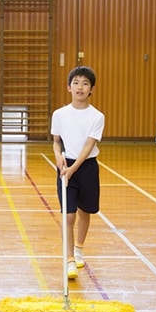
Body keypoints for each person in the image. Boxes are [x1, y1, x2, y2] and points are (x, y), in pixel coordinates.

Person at [51, 66, 105, 280]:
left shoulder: (97, 116)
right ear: (68, 87)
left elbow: (89, 145)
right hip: (66, 166)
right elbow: (56, 142)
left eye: (85, 83)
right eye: (76, 83)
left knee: (85, 212)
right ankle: (70, 259)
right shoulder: (59, 114)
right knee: (69, 214)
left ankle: (79, 248)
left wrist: (75, 168)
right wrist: (58, 158)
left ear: (91, 89)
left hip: (87, 166)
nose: (80, 87)